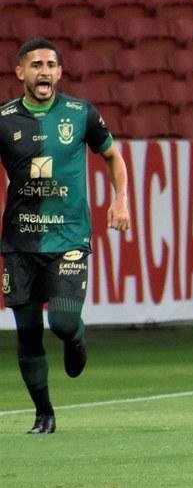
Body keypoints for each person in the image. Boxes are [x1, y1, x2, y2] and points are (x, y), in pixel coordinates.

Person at [1, 38, 130, 434]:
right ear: (20, 72)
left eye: (50, 65)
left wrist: (121, 200)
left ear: (59, 72)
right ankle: (44, 413)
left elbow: (112, 155)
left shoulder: (81, 113)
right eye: (36, 65)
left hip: (68, 237)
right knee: (27, 333)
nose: (44, 71)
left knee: (61, 320)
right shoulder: (4, 119)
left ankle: (75, 339)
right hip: (19, 242)